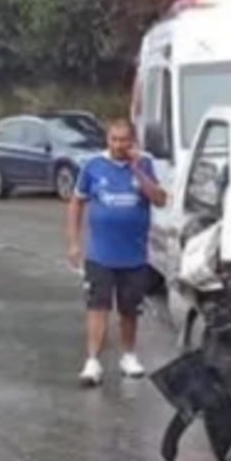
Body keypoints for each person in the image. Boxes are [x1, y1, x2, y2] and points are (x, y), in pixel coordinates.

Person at [66, 117, 168, 387]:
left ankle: (129, 356)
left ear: (133, 141)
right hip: (100, 254)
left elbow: (160, 199)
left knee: (129, 310)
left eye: (124, 140)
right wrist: (74, 242)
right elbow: (77, 203)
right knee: (97, 307)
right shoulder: (93, 166)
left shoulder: (145, 163)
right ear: (107, 140)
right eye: (114, 139)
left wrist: (137, 170)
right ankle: (92, 361)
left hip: (134, 255)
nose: (119, 145)